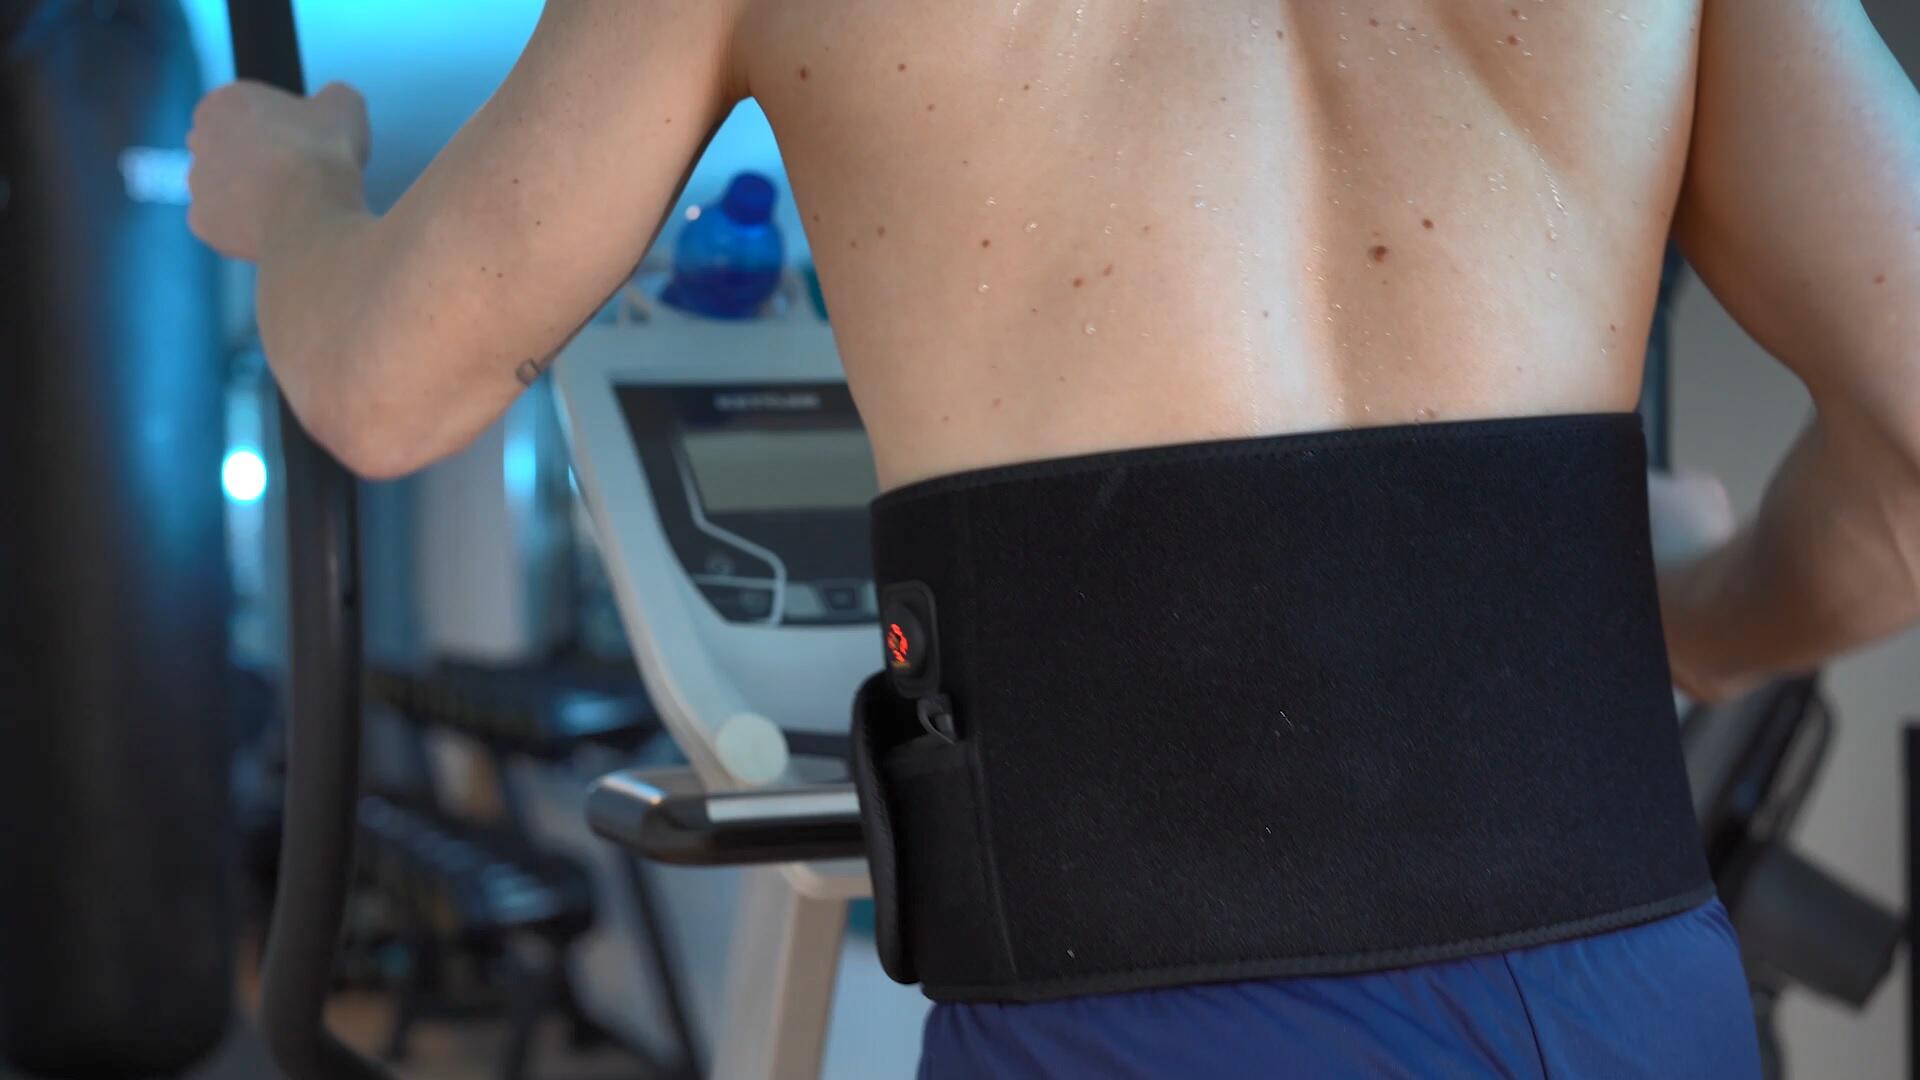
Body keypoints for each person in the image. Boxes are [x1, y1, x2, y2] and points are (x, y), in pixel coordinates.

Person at [187, 1, 1920, 1075]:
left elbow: (386, 384)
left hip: (1139, 1028)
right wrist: (1691, 626)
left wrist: (298, 200)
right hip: (1625, 1012)